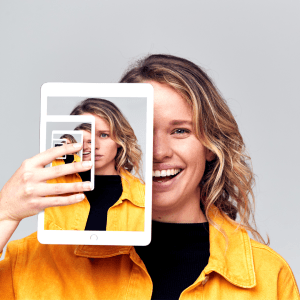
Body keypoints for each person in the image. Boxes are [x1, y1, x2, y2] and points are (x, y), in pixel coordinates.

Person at [0, 54, 299, 299]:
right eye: (147, 130)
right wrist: (4, 214)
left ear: (210, 146)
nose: (158, 152)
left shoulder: (268, 278)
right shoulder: (33, 261)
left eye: (180, 130)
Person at [45, 99, 145, 231]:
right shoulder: (51, 188)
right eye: (83, 137)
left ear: (119, 140)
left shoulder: (145, 195)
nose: (93, 146)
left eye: (103, 135)